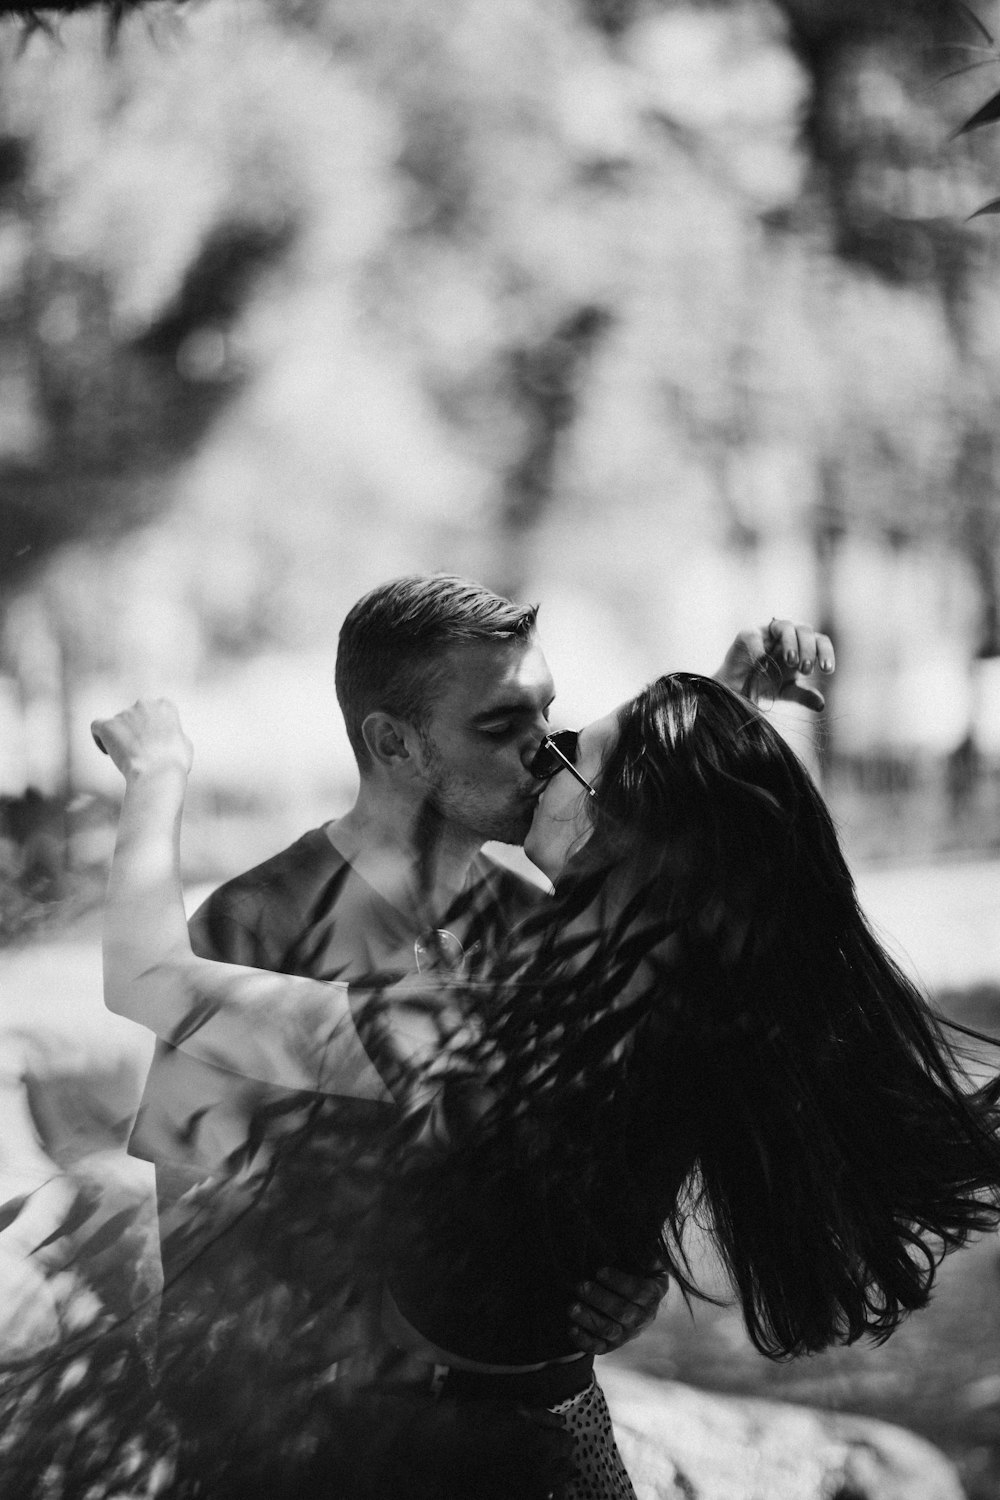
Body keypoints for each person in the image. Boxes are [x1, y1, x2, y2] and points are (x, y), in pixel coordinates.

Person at [93, 666, 1000, 1500]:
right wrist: (718, 704)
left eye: (563, 751)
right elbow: (686, 853)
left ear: (616, 828)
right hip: (568, 1444)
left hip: (449, 1459)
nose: (537, 760)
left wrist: (157, 774)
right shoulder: (707, 1016)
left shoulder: (472, 1032)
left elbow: (145, 977)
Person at [129, 573, 835, 1363]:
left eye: (547, 715)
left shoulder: (544, 924)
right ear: (393, 742)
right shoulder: (251, 923)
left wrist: (623, 1280)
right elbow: (190, 1227)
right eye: (501, 726)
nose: (543, 752)